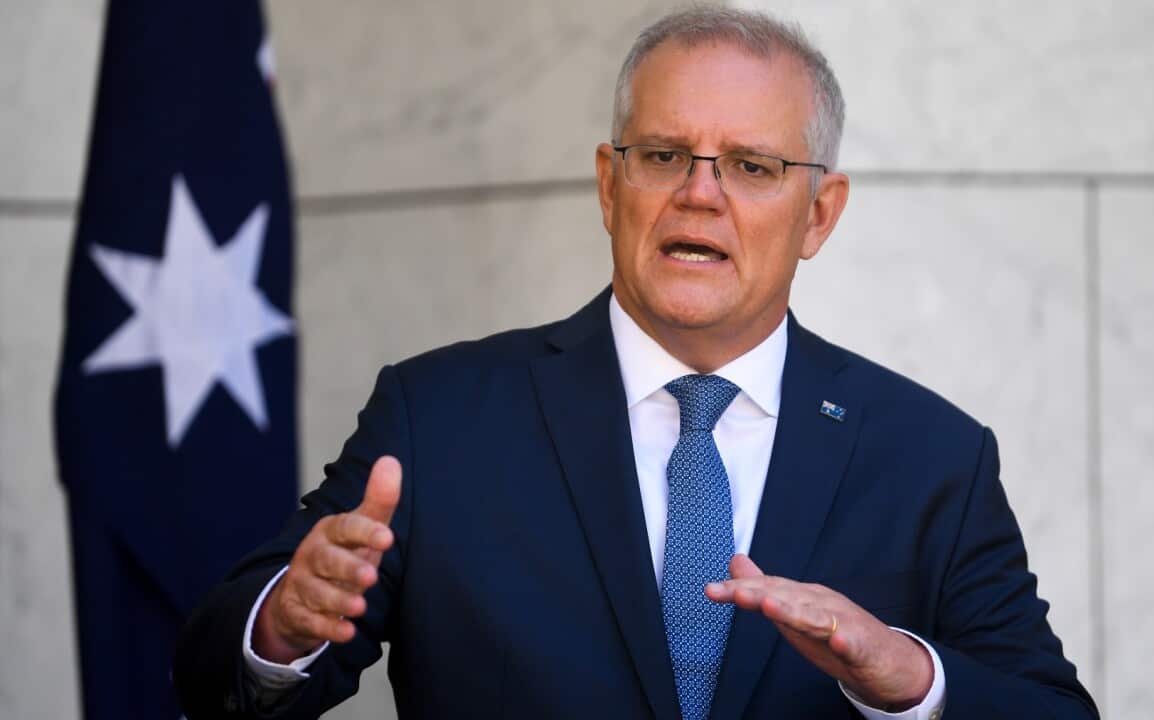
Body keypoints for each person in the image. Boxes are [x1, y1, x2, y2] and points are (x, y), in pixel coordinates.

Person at [174, 8, 1097, 719]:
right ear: (611, 186)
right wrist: (282, 628)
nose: (700, 193)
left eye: (751, 167)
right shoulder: (440, 417)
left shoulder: (930, 455)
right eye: (664, 155)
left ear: (819, 215)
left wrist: (907, 676)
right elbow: (216, 676)